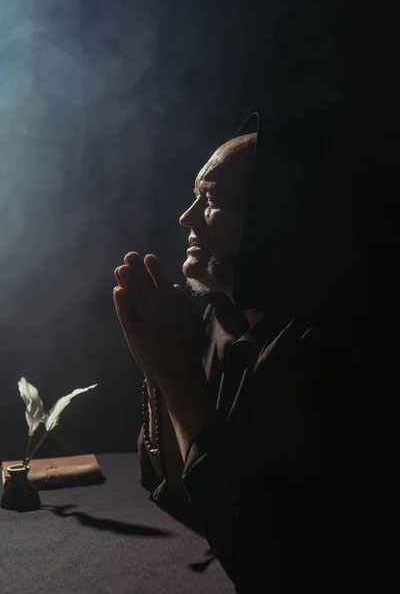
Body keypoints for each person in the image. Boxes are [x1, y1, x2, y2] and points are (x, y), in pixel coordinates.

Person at [113, 119, 388, 592]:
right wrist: (159, 369)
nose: (187, 216)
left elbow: (274, 558)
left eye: (212, 199)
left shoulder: (330, 354)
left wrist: (177, 378)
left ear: (274, 217)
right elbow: (175, 489)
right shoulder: (220, 322)